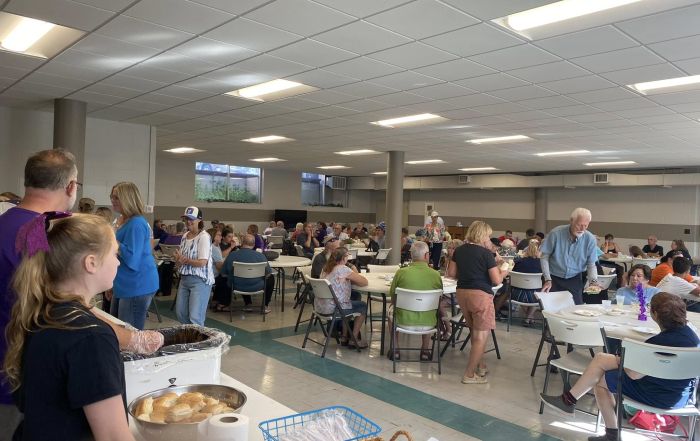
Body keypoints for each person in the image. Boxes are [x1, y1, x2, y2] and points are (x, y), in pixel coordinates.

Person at [5, 214, 137, 441]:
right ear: (91, 263)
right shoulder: (91, 336)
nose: (118, 262)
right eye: (114, 254)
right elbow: (114, 436)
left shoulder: (41, 313)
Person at [540, 293, 700, 441]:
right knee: (602, 360)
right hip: (682, 398)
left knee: (602, 380)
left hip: (655, 395)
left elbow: (633, 374)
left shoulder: (657, 343)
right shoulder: (693, 337)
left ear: (655, 314)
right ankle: (569, 400)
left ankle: (609, 432)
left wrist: (623, 359)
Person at [0, 149, 80, 435]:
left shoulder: (6, 223)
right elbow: (60, 306)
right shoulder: (39, 232)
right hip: (17, 378)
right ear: (70, 186)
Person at [447, 221, 509, 384]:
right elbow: (496, 280)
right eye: (488, 235)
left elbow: (451, 273)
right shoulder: (485, 254)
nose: (489, 238)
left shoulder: (459, 250)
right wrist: (504, 271)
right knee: (481, 335)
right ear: (482, 235)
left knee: (475, 331)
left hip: (462, 293)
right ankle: (469, 374)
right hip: (480, 295)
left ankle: (481, 365)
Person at [110, 182, 159, 330]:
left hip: (137, 285)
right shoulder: (122, 220)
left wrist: (112, 240)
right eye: (111, 196)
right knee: (116, 327)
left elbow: (132, 259)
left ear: (128, 199)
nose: (112, 200)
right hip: (124, 283)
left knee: (129, 334)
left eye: (116, 197)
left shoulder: (136, 223)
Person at [387, 241, 443, 361]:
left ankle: (395, 349)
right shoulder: (435, 275)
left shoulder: (401, 272)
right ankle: (425, 350)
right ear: (427, 255)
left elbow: (393, 298)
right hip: (429, 324)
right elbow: (439, 300)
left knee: (391, 311)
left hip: (402, 322)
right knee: (431, 308)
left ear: (411, 256)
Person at [540, 208, 599, 305]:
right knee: (551, 309)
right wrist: (547, 279)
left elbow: (591, 264)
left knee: (576, 308)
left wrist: (593, 281)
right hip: (553, 277)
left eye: (586, 225)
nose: (582, 229)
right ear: (571, 221)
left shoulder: (590, 239)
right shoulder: (556, 233)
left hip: (574, 278)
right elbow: (544, 257)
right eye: (579, 225)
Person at [319, 247, 369, 348]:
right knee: (362, 306)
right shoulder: (342, 269)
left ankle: (344, 336)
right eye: (347, 255)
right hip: (335, 308)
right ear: (344, 257)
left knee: (350, 300)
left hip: (321, 307)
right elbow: (364, 282)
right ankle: (353, 338)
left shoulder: (326, 268)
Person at [174, 206, 214, 326]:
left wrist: (185, 260)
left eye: (191, 219)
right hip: (185, 279)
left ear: (199, 221)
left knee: (195, 317)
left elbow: (202, 262)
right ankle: (190, 338)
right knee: (181, 313)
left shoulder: (204, 237)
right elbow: (180, 261)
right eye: (186, 219)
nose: (188, 222)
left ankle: (197, 343)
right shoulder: (185, 236)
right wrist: (178, 261)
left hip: (200, 281)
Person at [221, 234, 274, 314]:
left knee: (230, 278)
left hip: (236, 285)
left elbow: (223, 274)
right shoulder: (261, 256)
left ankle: (233, 303)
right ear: (253, 244)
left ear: (242, 243)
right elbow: (268, 274)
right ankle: (265, 305)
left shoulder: (232, 255)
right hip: (257, 286)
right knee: (271, 278)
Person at [511, 240, 543, 326]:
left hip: (516, 295)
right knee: (538, 291)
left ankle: (528, 316)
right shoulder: (541, 265)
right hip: (534, 298)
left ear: (526, 250)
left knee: (524, 288)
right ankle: (529, 317)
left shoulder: (518, 262)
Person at [210, 230, 228, 312]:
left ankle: (215, 300)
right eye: (219, 235)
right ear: (213, 236)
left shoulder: (216, 246)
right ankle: (223, 303)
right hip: (213, 275)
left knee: (223, 277)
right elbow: (219, 267)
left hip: (212, 274)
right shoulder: (214, 248)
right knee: (226, 279)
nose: (221, 237)